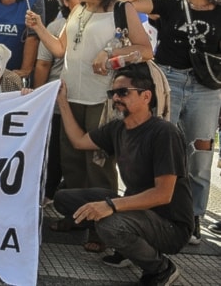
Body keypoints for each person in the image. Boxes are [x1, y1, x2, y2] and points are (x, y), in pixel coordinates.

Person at [26, 0, 153, 252]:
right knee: (71, 161)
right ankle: (77, 217)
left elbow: (145, 50)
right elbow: (59, 49)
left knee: (98, 166)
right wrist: (39, 27)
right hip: (70, 98)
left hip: (103, 100)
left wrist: (111, 57)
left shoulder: (122, 10)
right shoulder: (78, 10)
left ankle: (101, 227)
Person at [53, 63, 193, 285]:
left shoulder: (164, 133)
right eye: (113, 93)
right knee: (64, 199)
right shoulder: (117, 128)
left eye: (123, 92)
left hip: (169, 225)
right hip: (137, 210)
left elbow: (163, 195)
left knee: (108, 225)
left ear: (146, 96)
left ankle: (161, 268)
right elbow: (79, 142)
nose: (116, 98)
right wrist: (62, 101)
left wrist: (110, 206)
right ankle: (128, 247)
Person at [118, 0, 221, 244]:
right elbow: (124, 1)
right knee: (161, 149)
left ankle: (193, 217)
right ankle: (154, 213)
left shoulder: (220, 10)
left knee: (200, 155)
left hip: (207, 88)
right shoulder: (170, 3)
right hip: (169, 80)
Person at [33, 0, 78, 203]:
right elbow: (42, 65)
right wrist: (39, 98)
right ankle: (47, 194)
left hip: (85, 99)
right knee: (56, 151)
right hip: (57, 100)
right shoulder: (55, 27)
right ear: (66, 2)